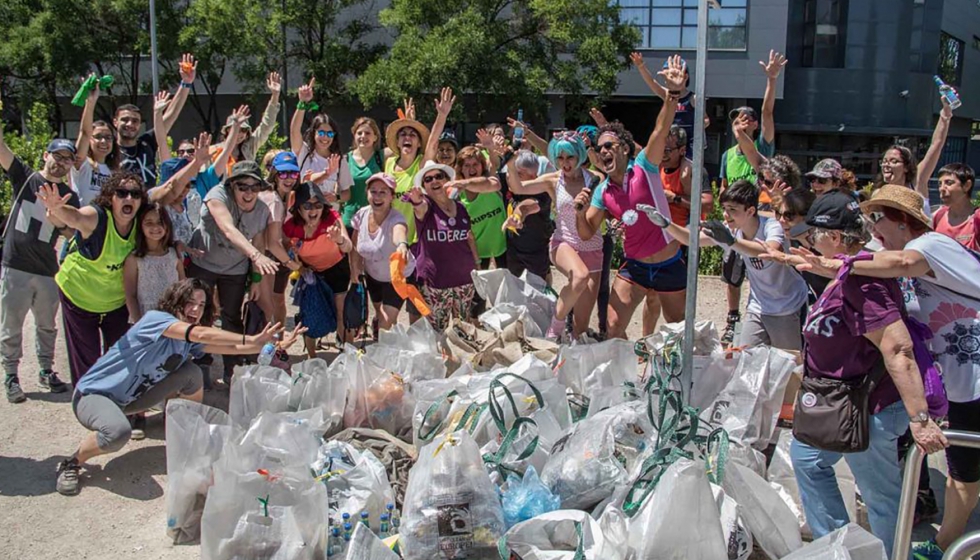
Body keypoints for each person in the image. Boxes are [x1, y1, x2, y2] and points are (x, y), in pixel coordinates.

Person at [787, 185, 980, 560]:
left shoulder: (928, 247)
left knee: (955, 473)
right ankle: (852, 549)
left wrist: (919, 418)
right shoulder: (881, 260)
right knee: (958, 469)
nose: (872, 227)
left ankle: (921, 550)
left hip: (963, 376)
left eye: (879, 218)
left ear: (904, 222)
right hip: (958, 377)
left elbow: (897, 343)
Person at [54, 278, 305, 496]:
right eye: (190, 302)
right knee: (118, 433)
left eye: (202, 305)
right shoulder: (157, 320)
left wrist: (272, 346)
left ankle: (188, 433)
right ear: (175, 301)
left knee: (191, 373)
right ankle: (72, 462)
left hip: (128, 400)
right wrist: (250, 338)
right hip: (94, 396)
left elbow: (231, 349)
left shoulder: (186, 341)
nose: (195, 309)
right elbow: (202, 335)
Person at [576, 55, 689, 340]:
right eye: (599, 148)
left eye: (609, 146)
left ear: (625, 149)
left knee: (678, 331)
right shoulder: (602, 191)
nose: (602, 152)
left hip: (668, 264)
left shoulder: (645, 167)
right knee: (613, 328)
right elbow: (588, 230)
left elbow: (661, 128)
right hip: (635, 267)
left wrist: (673, 94)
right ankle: (628, 378)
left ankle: (670, 379)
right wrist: (580, 210)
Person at [647, 179, 809, 351]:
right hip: (758, 308)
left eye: (733, 210)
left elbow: (770, 252)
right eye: (724, 209)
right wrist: (666, 224)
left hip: (787, 306)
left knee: (790, 363)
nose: (726, 214)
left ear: (751, 210)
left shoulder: (771, 226)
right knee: (743, 359)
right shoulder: (730, 231)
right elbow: (691, 239)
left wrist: (731, 241)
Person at [37, 171, 142, 386]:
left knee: (122, 356)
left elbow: (169, 188)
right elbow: (76, 217)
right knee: (87, 358)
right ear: (110, 197)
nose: (129, 198)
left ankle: (125, 404)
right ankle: (89, 404)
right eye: (121, 193)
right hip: (79, 296)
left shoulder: (140, 223)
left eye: (135, 194)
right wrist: (57, 208)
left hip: (115, 301)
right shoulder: (97, 217)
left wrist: (196, 164)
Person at [0, 133, 79, 403]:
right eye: (57, 156)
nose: (62, 163)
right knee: (11, 325)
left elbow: (73, 234)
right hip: (16, 265)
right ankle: (11, 375)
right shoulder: (25, 177)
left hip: (47, 268)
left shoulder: (71, 196)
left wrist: (58, 217)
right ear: (46, 155)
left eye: (68, 159)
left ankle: (46, 370)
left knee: (47, 325)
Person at [186, 161, 279, 385]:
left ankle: (232, 368)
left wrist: (256, 278)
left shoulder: (262, 211)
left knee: (232, 317)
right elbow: (228, 229)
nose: (248, 192)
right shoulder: (217, 195)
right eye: (242, 186)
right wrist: (256, 256)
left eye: (254, 187)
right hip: (203, 263)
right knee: (200, 314)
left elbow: (258, 242)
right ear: (231, 186)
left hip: (235, 269)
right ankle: (200, 363)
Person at [504, 132, 602, 341]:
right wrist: (511, 164)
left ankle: (569, 355)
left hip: (593, 247)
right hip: (563, 243)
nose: (565, 163)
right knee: (580, 276)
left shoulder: (595, 179)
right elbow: (518, 187)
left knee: (581, 328)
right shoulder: (553, 180)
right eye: (560, 158)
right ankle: (554, 330)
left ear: (579, 156)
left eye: (570, 157)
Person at [717, 51, 785, 345]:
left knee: (762, 268)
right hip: (735, 220)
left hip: (760, 220)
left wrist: (771, 80)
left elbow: (768, 112)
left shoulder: (762, 148)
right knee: (731, 271)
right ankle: (733, 318)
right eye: (736, 119)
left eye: (746, 119)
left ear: (754, 125)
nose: (740, 123)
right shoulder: (727, 155)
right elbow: (722, 186)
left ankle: (767, 318)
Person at [282, 182, 355, 355]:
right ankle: (311, 357)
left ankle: (349, 355)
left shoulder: (331, 218)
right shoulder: (292, 226)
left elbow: (348, 247)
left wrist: (339, 240)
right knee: (310, 316)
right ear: (299, 209)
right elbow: (284, 249)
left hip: (336, 268)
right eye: (307, 205)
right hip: (310, 272)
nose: (313, 210)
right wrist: (297, 266)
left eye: (318, 205)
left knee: (341, 312)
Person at [406, 161, 478, 331]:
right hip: (435, 282)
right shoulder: (427, 207)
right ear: (424, 186)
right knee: (437, 331)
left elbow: (468, 236)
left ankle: (462, 358)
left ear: (447, 180)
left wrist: (477, 263)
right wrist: (416, 201)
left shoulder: (460, 207)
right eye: (428, 179)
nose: (434, 181)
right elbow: (419, 208)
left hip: (464, 279)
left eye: (439, 176)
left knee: (463, 328)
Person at [384, 89, 454, 243]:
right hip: (390, 236)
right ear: (397, 142)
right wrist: (408, 121)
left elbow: (434, 142)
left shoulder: (421, 164)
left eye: (412, 134)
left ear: (419, 143)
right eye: (403, 134)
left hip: (416, 240)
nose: (407, 137)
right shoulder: (388, 163)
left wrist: (442, 115)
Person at [114, 53, 195, 185]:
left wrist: (186, 83)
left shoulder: (146, 144)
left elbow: (170, 116)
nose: (130, 124)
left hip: (150, 203)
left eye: (135, 121)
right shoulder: (109, 149)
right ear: (115, 122)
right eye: (125, 119)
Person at [351, 173, 414, 331]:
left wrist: (402, 245)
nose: (377, 196)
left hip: (397, 277)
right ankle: (385, 337)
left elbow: (399, 231)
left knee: (386, 321)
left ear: (392, 196)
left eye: (383, 192)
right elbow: (354, 247)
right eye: (373, 191)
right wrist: (355, 272)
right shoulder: (361, 215)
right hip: (374, 276)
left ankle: (383, 351)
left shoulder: (396, 218)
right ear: (367, 194)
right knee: (381, 316)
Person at [876, 91, 954, 214]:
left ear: (906, 167)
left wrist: (945, 114)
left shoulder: (917, 182)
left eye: (893, 161)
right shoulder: (879, 193)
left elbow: (936, 145)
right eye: (884, 161)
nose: (886, 165)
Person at [255, 151, 303, 326]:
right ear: (274, 174)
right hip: (266, 256)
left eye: (293, 173)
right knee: (268, 304)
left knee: (274, 300)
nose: (288, 178)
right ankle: (274, 346)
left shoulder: (281, 196)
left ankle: (277, 344)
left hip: (270, 255)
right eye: (283, 173)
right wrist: (293, 264)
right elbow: (272, 243)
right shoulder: (274, 200)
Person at [291, 78, 352, 207]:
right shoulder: (304, 152)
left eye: (330, 133)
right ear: (314, 133)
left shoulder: (339, 159)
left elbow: (347, 192)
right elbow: (294, 130)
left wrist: (336, 197)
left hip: (328, 215)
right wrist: (302, 103)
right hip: (305, 213)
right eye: (321, 133)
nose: (325, 138)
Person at [123, 203, 185, 323]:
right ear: (141, 226)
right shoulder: (134, 258)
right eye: (149, 223)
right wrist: (138, 323)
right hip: (145, 319)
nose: (155, 227)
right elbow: (130, 295)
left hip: (173, 318)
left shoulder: (174, 254)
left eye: (160, 222)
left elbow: (183, 288)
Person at [210, 72, 282, 174]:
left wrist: (275, 96)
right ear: (227, 130)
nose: (239, 134)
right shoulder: (214, 150)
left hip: (247, 188)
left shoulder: (249, 146)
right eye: (236, 129)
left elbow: (266, 126)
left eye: (243, 130)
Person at [502, 149, 553, 283]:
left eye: (518, 174)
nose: (509, 176)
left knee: (538, 297)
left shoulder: (543, 193)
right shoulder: (508, 186)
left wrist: (517, 217)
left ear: (533, 177)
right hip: (513, 256)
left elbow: (526, 206)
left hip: (535, 258)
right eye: (509, 172)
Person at [630, 52, 696, 154]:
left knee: (685, 169)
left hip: (687, 144)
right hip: (669, 142)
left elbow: (705, 119)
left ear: (685, 76)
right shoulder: (667, 94)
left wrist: (699, 125)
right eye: (666, 75)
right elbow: (652, 82)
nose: (668, 79)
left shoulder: (692, 98)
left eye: (672, 74)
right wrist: (641, 66)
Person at [72, 77, 120, 205]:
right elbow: (85, 133)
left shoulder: (114, 171)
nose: (104, 141)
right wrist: (91, 101)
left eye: (108, 137)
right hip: (82, 222)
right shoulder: (82, 164)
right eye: (98, 136)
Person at [343, 117, 386, 233]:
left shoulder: (382, 157)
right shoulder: (345, 160)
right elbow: (341, 192)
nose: (363, 136)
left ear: (375, 137)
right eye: (359, 133)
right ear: (354, 135)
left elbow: (406, 148)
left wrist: (408, 121)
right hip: (350, 221)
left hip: (376, 220)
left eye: (368, 133)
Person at [932, 163, 979, 251]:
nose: (941, 188)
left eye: (949, 183)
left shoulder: (977, 218)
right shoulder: (938, 215)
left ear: (967, 186)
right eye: (939, 184)